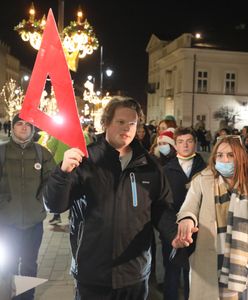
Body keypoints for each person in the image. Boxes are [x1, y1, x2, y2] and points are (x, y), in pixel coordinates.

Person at [43, 97, 176, 300]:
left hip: (134, 274)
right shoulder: (85, 160)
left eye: (132, 123)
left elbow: (161, 207)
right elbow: (54, 205)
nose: (127, 128)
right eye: (120, 122)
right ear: (106, 123)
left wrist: (175, 232)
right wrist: (62, 172)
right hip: (92, 273)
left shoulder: (150, 165)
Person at [172, 135, 248, 300]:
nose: (224, 159)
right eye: (220, 155)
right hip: (211, 259)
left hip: (242, 262)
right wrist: (187, 219)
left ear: (240, 157)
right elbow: (189, 206)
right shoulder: (202, 179)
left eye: (230, 155)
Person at [0, 113, 56, 300]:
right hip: (6, 222)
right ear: (13, 127)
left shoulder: (42, 153)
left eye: (27, 125)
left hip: (33, 223)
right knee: (7, 264)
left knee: (29, 264)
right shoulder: (2, 152)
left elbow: (53, 180)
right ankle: (7, 295)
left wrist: (40, 201)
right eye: (19, 124)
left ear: (32, 129)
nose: (23, 127)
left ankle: (26, 297)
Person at [162, 127, 206, 300]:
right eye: (180, 142)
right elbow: (161, 203)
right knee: (171, 273)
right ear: (176, 145)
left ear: (195, 143)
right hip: (172, 231)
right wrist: (169, 230)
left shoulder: (205, 169)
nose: (185, 145)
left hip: (198, 231)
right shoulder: (166, 170)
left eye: (189, 141)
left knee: (193, 275)